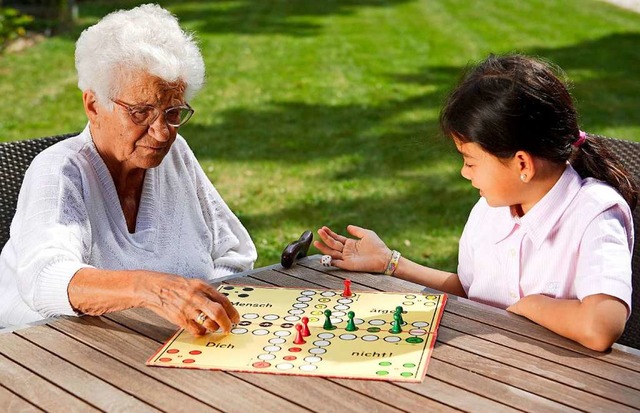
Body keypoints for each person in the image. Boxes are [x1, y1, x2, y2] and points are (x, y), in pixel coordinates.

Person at [315, 54, 636, 352]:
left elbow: (601, 325)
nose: (464, 173)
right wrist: (390, 262)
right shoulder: (489, 211)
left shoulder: (594, 215)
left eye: (470, 161)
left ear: (522, 164)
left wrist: (530, 306)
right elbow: (472, 291)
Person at [0, 4, 257, 336]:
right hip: (44, 352)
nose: (162, 133)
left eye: (173, 112)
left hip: (165, 343)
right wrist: (152, 291)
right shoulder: (59, 170)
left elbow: (233, 251)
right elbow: (44, 279)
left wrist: (207, 307)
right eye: (141, 112)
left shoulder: (175, 154)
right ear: (93, 105)